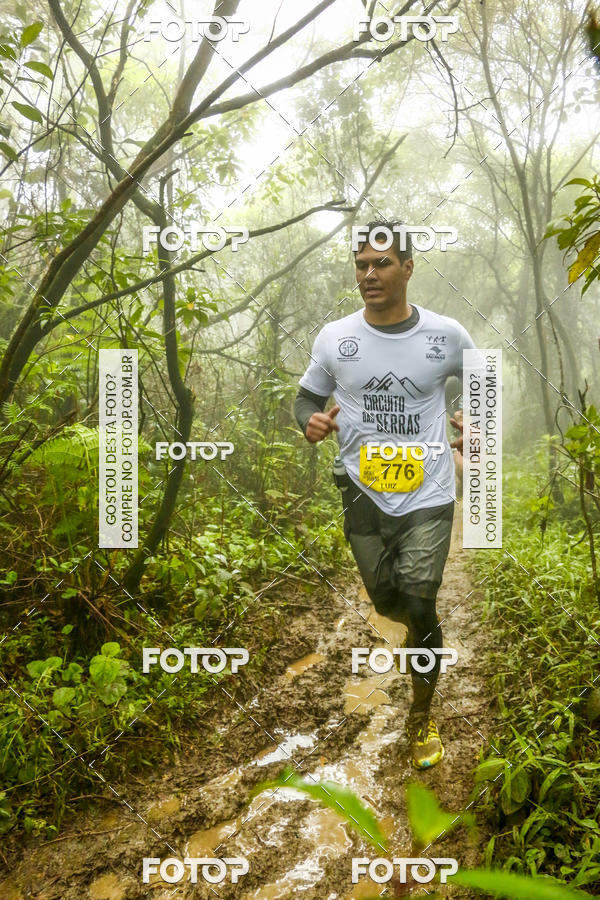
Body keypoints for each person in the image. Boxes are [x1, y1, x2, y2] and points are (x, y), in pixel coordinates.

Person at [294, 220, 475, 768]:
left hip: (429, 490)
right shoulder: (335, 338)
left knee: (419, 602)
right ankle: (420, 633)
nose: (369, 275)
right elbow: (306, 399)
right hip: (361, 490)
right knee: (387, 602)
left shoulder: (447, 335)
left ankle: (421, 715)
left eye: (382, 264)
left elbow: (483, 386)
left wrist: (472, 421)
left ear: (408, 268)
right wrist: (310, 422)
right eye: (361, 266)